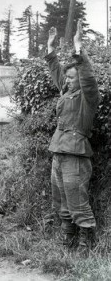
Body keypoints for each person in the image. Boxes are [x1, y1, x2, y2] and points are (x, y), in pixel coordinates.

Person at [45, 20, 100, 252]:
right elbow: (58, 73)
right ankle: (68, 237)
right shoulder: (68, 92)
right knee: (62, 200)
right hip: (59, 152)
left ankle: (86, 243)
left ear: (80, 81)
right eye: (66, 78)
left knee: (77, 200)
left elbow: (86, 76)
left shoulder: (88, 97)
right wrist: (50, 49)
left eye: (71, 78)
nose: (66, 81)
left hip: (76, 155)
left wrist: (79, 48)